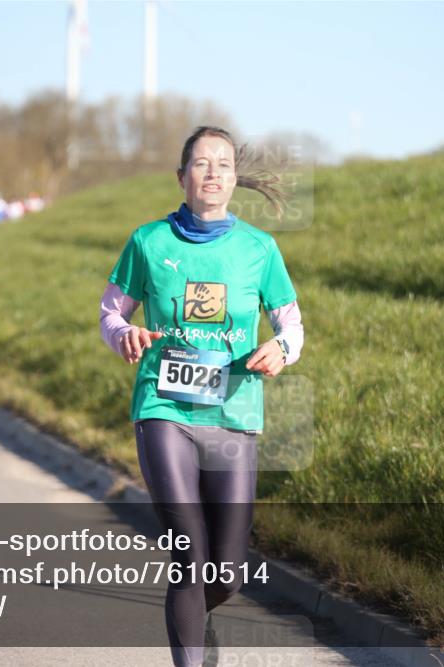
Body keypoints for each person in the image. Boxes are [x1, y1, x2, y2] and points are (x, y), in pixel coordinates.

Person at [99, 126, 304, 667]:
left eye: (224, 164)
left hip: (234, 413)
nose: (213, 172)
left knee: (227, 573)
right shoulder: (148, 242)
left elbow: (292, 327)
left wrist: (282, 350)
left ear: (235, 179)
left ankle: (196, 619)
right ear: (182, 176)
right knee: (189, 553)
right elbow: (111, 311)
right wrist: (125, 334)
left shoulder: (260, 250)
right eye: (201, 163)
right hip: (163, 410)